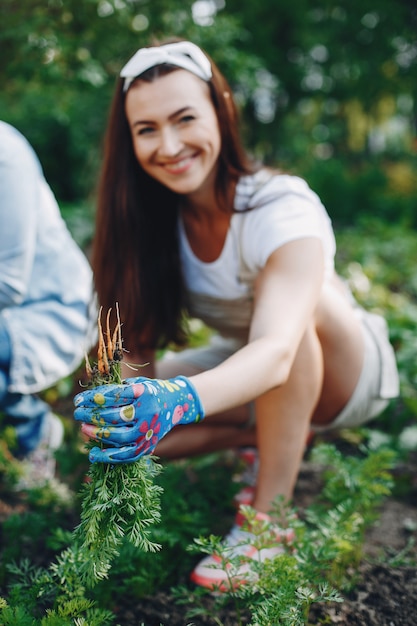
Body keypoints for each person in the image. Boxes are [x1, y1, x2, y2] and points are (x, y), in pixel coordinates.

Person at [73, 40, 399, 590]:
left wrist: (178, 399)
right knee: (117, 429)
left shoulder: (279, 205)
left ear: (221, 111)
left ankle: (269, 526)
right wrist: (118, 406)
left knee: (295, 321)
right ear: (128, 142)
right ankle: (276, 442)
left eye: (184, 119)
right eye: (147, 129)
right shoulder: (148, 226)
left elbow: (274, 351)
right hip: (258, 370)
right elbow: (136, 361)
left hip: (345, 376)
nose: (169, 145)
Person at [0, 121, 94, 487]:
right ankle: (30, 423)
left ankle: (33, 428)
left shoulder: (6, 154)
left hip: (51, 308)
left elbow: (9, 285)